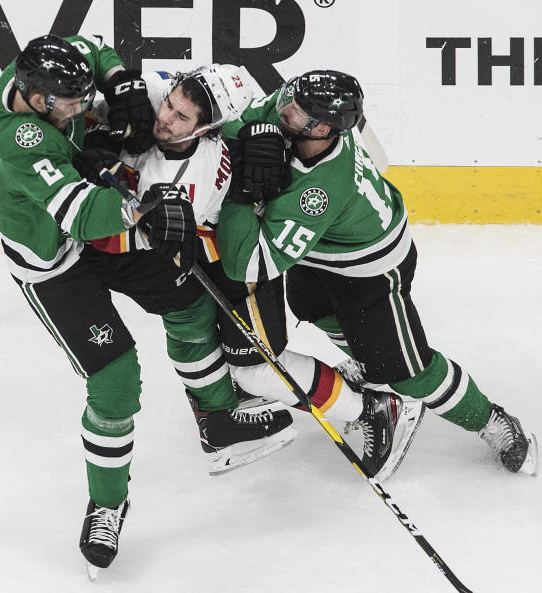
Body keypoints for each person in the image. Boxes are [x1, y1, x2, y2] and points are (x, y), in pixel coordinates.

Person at [0, 35, 295, 580]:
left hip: (100, 235)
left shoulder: (37, 71)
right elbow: (80, 213)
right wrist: (145, 208)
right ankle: (107, 504)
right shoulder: (19, 139)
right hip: (56, 258)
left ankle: (216, 419)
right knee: (116, 379)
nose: (84, 108)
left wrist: (119, 81)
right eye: (73, 104)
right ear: (35, 100)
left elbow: (92, 48)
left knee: (187, 296)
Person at [85, 64, 423, 481]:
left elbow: (121, 236)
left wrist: (100, 162)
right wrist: (114, 102)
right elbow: (121, 94)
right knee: (232, 356)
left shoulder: (195, 177)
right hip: (232, 251)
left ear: (206, 128)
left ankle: (369, 410)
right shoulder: (167, 100)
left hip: (245, 263)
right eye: (169, 104)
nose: (165, 118)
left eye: (181, 117)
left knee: (256, 366)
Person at [216, 70, 539, 476]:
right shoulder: (298, 108)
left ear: (324, 129)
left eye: (298, 113)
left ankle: (490, 421)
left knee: (408, 373)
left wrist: (243, 189)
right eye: (290, 102)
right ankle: (367, 362)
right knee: (312, 307)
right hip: (321, 251)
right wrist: (247, 135)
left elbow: (249, 264)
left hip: (371, 271)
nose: (284, 110)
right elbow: (246, 115)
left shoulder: (321, 187)